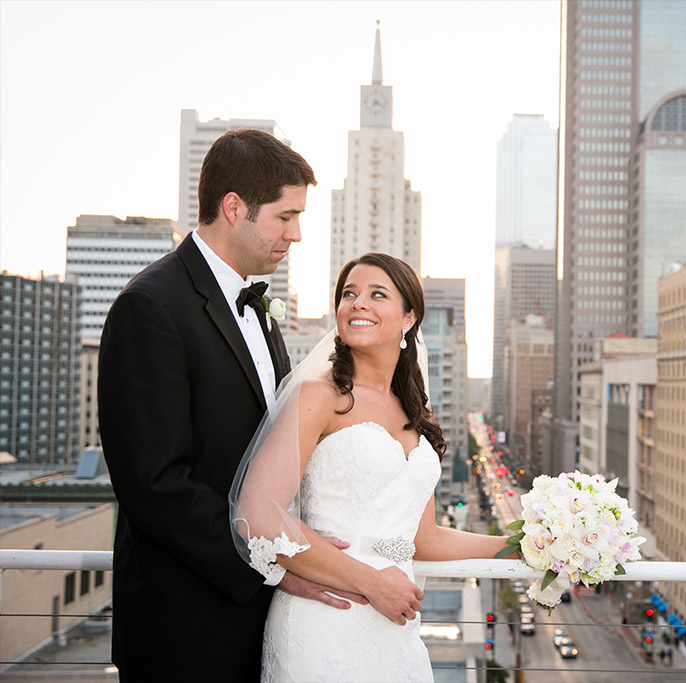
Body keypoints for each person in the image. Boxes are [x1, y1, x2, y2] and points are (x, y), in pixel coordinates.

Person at [98, 129, 362, 682]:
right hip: (186, 631)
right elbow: (154, 486)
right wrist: (270, 566)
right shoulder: (149, 307)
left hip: (262, 625)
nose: (296, 234)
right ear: (234, 207)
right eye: (285, 216)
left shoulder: (258, 310)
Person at [230, 253, 514, 682]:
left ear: (409, 317)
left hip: (396, 629)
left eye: (376, 294)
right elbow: (257, 512)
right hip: (325, 617)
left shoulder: (415, 413)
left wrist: (524, 544)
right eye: (349, 294)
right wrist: (369, 581)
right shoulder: (319, 396)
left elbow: (424, 540)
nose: (357, 303)